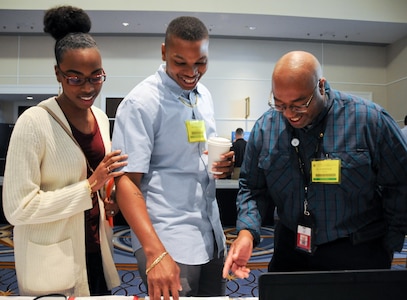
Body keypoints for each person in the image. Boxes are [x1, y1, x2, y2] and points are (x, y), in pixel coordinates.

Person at [223, 50, 407, 279]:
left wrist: (389, 243)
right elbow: (252, 188)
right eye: (280, 104)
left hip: (358, 248)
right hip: (292, 248)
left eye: (300, 104)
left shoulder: (369, 120)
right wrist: (246, 233)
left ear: (321, 86)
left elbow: (400, 184)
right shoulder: (266, 128)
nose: (290, 114)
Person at [2, 5, 128, 296]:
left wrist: (105, 199)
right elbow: (17, 209)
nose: (87, 87)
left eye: (96, 77)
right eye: (75, 78)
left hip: (96, 247)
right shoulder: (33, 122)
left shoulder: (99, 118)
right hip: (52, 258)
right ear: (58, 74)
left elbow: (92, 179)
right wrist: (89, 187)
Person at [112, 16, 233, 300]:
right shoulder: (141, 103)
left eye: (200, 62)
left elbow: (196, 161)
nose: (192, 72)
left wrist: (219, 167)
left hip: (211, 235)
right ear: (164, 52)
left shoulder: (204, 96)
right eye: (180, 62)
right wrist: (155, 254)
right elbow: (126, 185)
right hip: (169, 241)